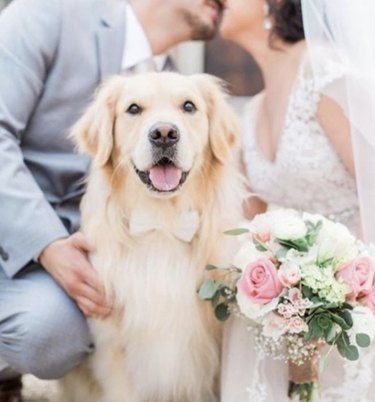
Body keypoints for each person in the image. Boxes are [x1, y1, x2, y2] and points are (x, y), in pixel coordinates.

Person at [0, 0, 223, 400]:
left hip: (94, 243)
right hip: (14, 239)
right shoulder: (46, 12)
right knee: (51, 330)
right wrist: (46, 243)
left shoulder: (166, 77)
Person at [218, 0, 375, 401]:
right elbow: (246, 225)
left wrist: (340, 297)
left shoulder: (323, 71)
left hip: (356, 296)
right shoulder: (251, 111)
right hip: (286, 310)